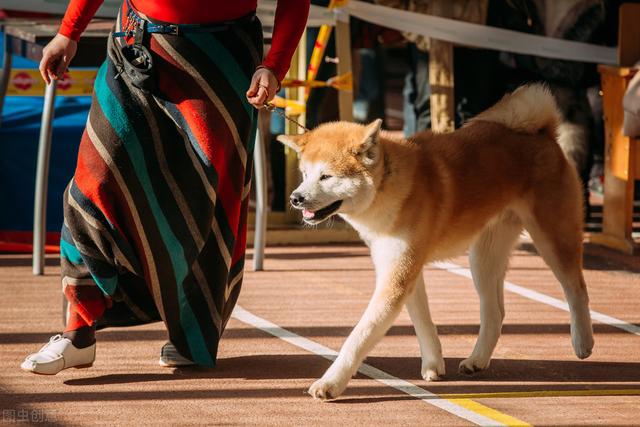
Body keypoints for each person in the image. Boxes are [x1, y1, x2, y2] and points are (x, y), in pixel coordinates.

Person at [21, 0, 309, 374]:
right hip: (135, 46)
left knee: (205, 203)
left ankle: (193, 339)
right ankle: (77, 331)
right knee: (94, 184)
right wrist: (68, 32)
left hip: (221, 58)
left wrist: (275, 64)